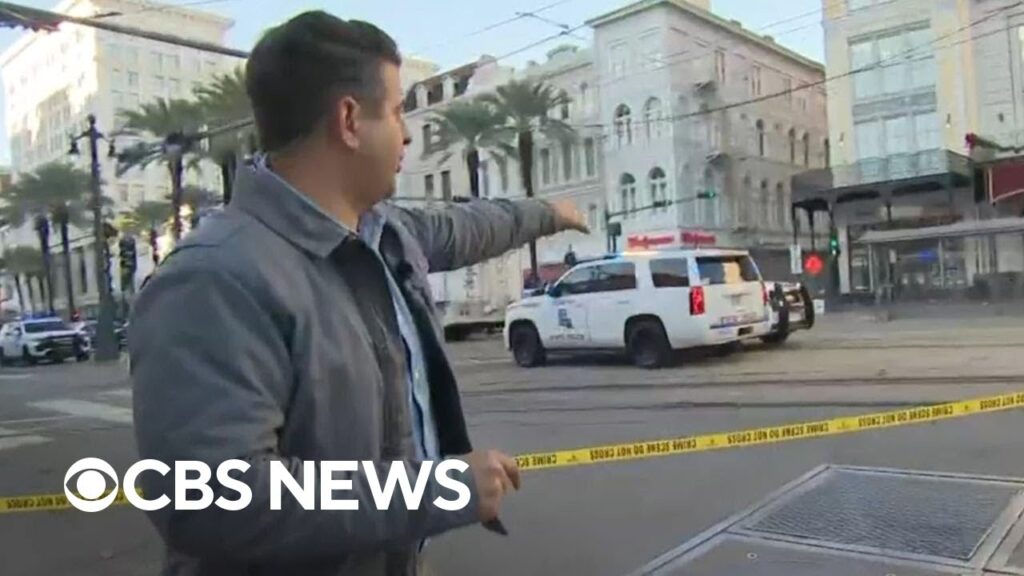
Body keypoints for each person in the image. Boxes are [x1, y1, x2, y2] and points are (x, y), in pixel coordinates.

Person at [128, 10, 588, 576]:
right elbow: (215, 500)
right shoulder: (214, 280)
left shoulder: (383, 233)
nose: (409, 131)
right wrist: (436, 491)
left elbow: (466, 227)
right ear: (349, 119)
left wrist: (549, 213)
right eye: (396, 111)